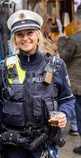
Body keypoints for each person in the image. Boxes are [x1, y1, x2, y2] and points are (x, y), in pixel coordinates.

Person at [0, 9, 75, 158]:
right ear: (15, 39)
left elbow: (67, 99)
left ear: (38, 35)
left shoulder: (57, 66)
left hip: (44, 143)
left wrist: (63, 113)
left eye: (30, 32)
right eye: (20, 34)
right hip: (13, 146)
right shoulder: (5, 67)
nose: (25, 38)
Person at [57, 4, 81, 154]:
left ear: (78, 21)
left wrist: (60, 40)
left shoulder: (74, 39)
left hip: (78, 86)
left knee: (80, 117)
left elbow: (64, 56)